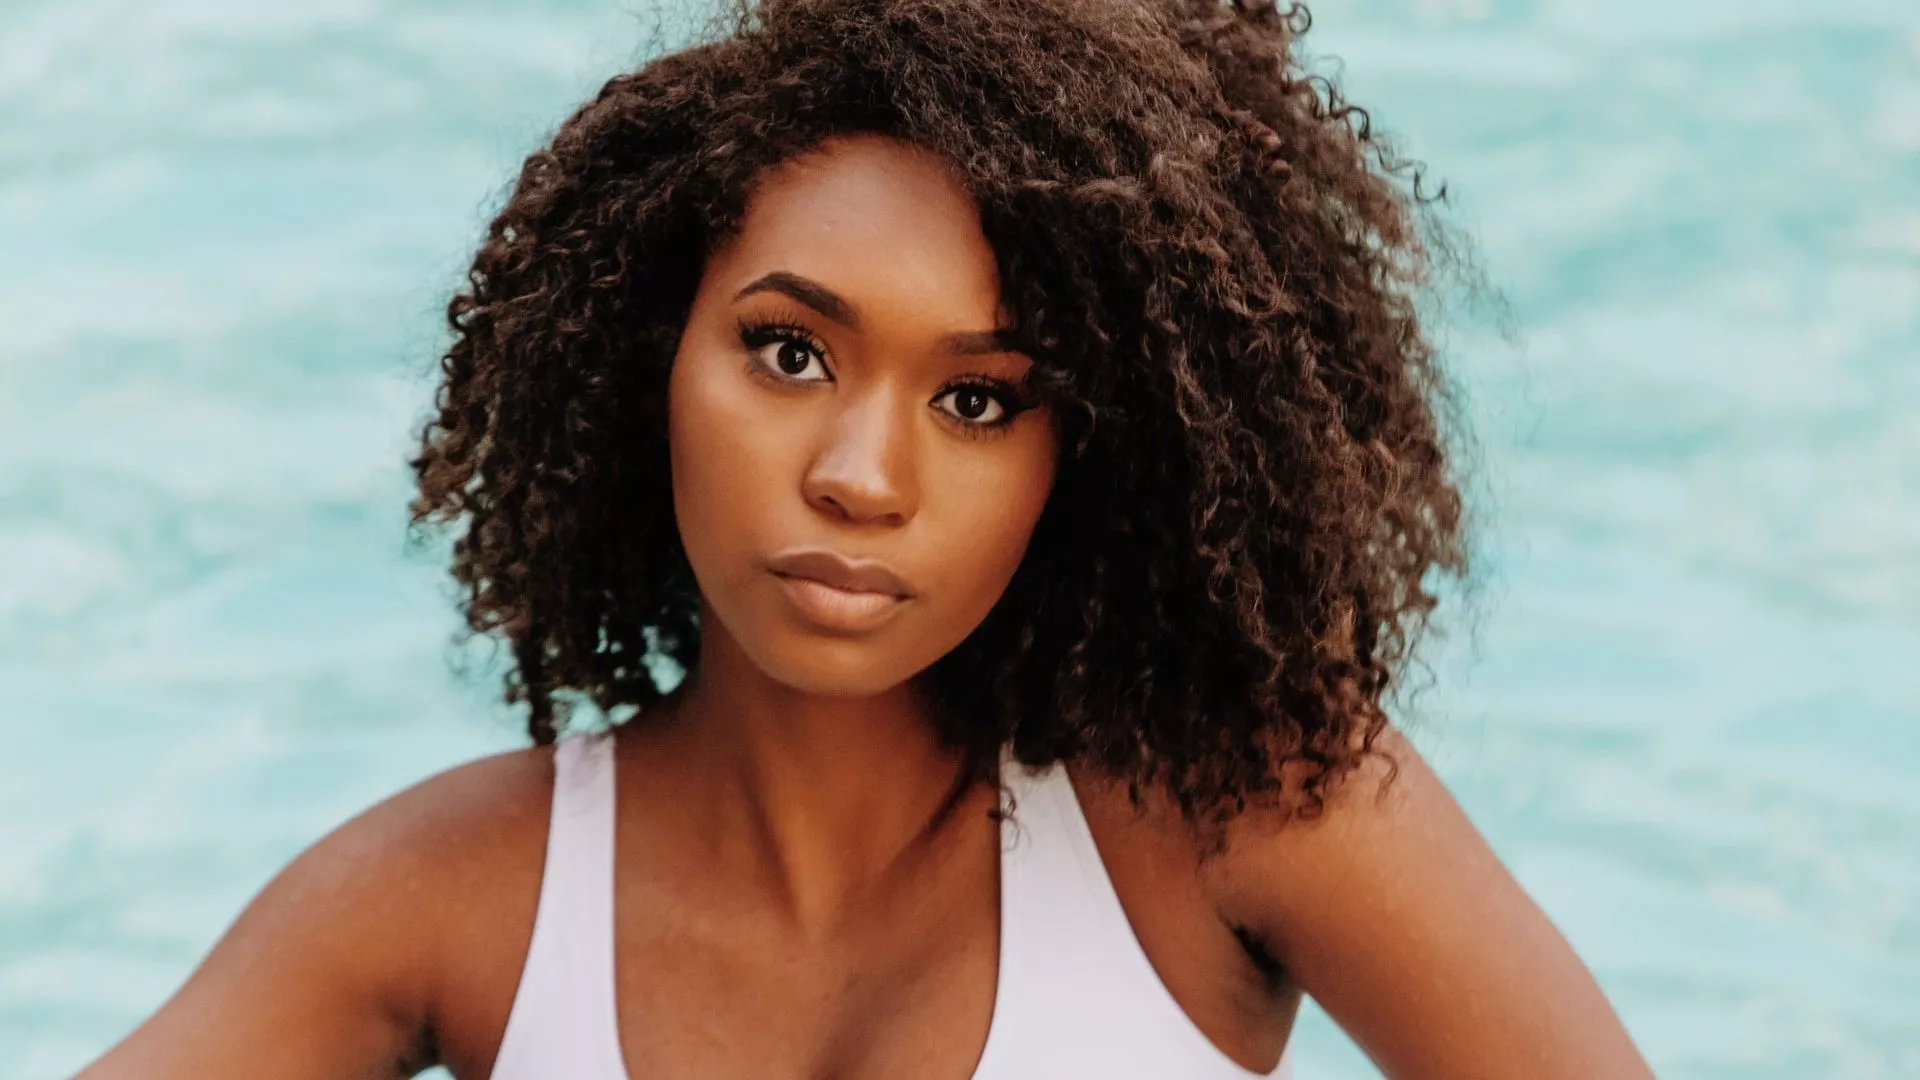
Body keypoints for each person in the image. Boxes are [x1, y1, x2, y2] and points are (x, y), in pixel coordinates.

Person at [75, 0, 1656, 1077]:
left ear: (1090, 454)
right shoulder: (449, 898)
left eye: (980, 400)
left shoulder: (1236, 808)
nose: (859, 475)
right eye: (788, 351)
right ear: (649, 351)